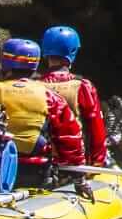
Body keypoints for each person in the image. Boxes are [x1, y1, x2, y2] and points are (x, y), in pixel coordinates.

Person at [0, 37, 78, 177]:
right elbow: (69, 136)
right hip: (35, 170)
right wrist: (76, 174)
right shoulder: (50, 96)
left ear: (5, 63)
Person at [37, 26, 110, 171]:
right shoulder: (83, 86)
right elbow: (96, 130)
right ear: (72, 52)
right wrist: (97, 163)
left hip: (42, 163)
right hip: (74, 166)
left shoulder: (33, 87)